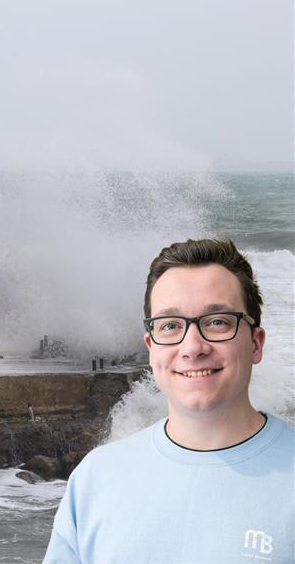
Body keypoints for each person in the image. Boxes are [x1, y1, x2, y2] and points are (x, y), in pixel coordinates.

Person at [43, 238, 294, 563]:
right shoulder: (95, 478)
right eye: (171, 325)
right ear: (151, 347)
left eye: (217, 322)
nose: (192, 347)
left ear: (255, 344)